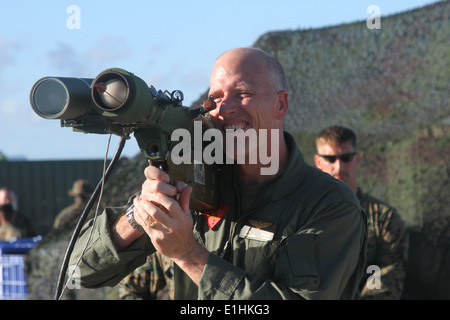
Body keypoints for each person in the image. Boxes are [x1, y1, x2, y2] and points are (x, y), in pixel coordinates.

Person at [69, 47, 367, 300]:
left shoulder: (329, 205)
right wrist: (139, 217)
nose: (225, 109)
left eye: (244, 93)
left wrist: (189, 255)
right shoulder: (194, 185)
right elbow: (78, 271)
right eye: (216, 97)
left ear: (280, 104)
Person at [314, 125, 408, 299]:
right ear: (318, 162)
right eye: (330, 158)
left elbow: (387, 276)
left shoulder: (384, 218)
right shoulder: (303, 215)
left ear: (357, 159)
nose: (339, 166)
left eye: (346, 158)